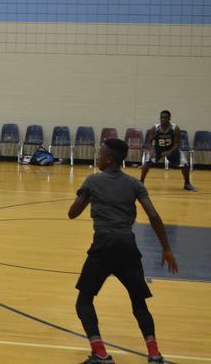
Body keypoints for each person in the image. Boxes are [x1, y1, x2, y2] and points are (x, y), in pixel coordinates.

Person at [68, 139, 178, 364]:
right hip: (128, 246)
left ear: (109, 159)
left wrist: (87, 195)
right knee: (139, 303)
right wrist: (166, 248)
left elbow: (72, 213)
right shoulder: (134, 184)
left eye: (101, 153)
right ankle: (154, 354)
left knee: (84, 301)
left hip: (103, 246)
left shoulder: (93, 181)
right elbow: (154, 216)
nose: (98, 156)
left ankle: (100, 354)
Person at [140, 110, 196, 192]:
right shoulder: (155, 128)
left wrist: (170, 152)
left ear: (169, 118)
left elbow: (177, 143)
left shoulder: (175, 128)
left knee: (185, 165)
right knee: (146, 164)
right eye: (162, 117)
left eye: (165, 117)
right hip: (158, 149)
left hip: (171, 149)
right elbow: (149, 141)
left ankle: (187, 183)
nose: (163, 119)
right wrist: (151, 150)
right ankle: (141, 183)